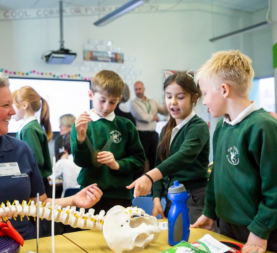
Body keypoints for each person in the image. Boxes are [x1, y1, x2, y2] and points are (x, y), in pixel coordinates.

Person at [0, 70, 103, 239]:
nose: (13, 112)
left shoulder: (20, 150)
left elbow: (38, 204)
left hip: (23, 245)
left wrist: (73, 200)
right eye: (5, 105)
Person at [190, 50, 277, 253]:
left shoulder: (263, 127)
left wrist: (260, 231)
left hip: (262, 232)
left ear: (224, 90)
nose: (204, 101)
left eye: (206, 93)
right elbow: (217, 175)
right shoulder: (221, 127)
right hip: (226, 227)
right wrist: (209, 211)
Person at [126, 73, 209, 224]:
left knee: (191, 245)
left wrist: (149, 177)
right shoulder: (166, 129)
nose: (173, 102)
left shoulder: (198, 127)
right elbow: (160, 163)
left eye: (180, 97)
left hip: (193, 199)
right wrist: (157, 197)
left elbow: (183, 156)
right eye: (169, 96)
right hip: (170, 198)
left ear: (194, 98)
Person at [71, 70, 146, 213]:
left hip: (120, 196)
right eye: (102, 100)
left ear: (119, 99)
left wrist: (117, 164)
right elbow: (81, 161)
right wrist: (81, 139)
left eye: (112, 102)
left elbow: (139, 159)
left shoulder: (126, 125)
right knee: (88, 235)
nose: (106, 107)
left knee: (121, 234)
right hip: (89, 195)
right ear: (91, 95)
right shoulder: (81, 124)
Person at [12, 86, 53, 198]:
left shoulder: (28, 129)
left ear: (24, 105)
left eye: (13, 105)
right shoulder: (28, 127)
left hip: (36, 185)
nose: (10, 110)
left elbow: (36, 160)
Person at [130, 81, 169, 179]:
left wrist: (169, 101)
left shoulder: (152, 101)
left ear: (144, 89)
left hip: (153, 134)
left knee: (155, 160)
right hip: (141, 134)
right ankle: (136, 186)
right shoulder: (133, 103)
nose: (138, 91)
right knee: (140, 160)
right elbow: (142, 116)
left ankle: (153, 186)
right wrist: (154, 117)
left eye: (139, 88)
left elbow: (164, 112)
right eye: (136, 89)